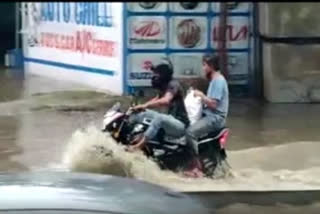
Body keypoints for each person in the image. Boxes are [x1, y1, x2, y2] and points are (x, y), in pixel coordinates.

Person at [127, 59, 190, 151]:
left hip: (180, 125)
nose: (154, 77)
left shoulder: (173, 84)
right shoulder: (164, 85)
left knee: (159, 118)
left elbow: (166, 100)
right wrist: (141, 107)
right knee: (141, 113)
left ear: (163, 76)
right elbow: (157, 99)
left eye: (156, 75)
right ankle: (128, 136)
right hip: (169, 119)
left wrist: (145, 106)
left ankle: (138, 146)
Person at [184, 54, 229, 178]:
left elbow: (214, 104)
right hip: (210, 116)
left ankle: (196, 168)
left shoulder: (218, 80)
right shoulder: (215, 80)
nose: (203, 68)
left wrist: (200, 95)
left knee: (190, 133)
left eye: (204, 65)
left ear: (211, 66)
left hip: (215, 118)